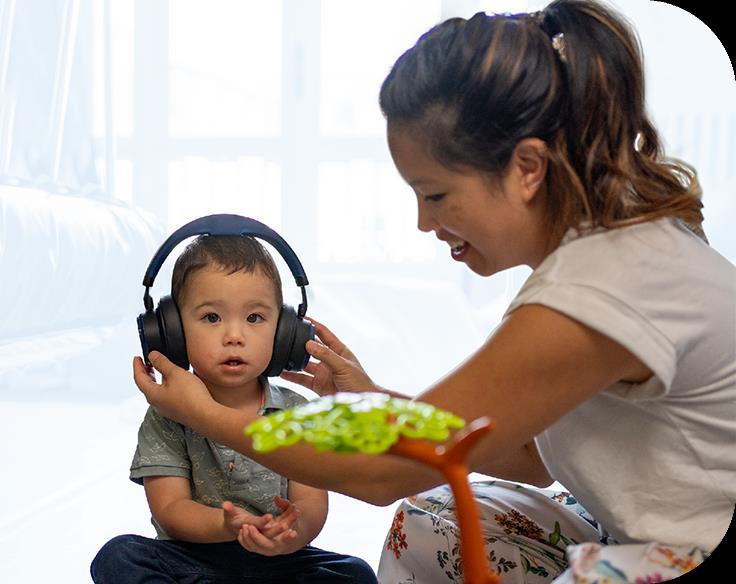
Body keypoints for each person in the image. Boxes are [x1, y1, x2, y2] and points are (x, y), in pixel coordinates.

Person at [132, 1, 735, 582]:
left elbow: (379, 475)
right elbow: (530, 457)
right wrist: (374, 401)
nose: (424, 221)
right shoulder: (596, 255)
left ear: (528, 168)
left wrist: (204, 415)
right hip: (633, 526)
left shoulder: (607, 285)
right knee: (430, 522)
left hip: (699, 544)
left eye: (437, 194)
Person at [92, 234, 377, 583]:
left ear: (284, 333)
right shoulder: (167, 414)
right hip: (193, 559)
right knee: (119, 555)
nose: (234, 335)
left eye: (254, 318)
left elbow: (312, 503)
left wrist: (291, 532)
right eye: (211, 317)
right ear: (171, 332)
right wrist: (226, 525)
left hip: (278, 562)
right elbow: (170, 508)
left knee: (353, 573)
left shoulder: (299, 413)